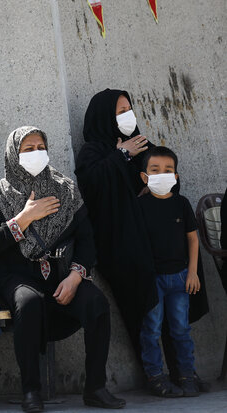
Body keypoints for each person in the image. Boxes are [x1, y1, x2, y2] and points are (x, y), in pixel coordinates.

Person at [0, 127, 125, 412]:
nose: (36, 153)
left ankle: (96, 387)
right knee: (28, 302)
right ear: (13, 153)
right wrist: (24, 218)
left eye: (40, 146)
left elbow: (86, 240)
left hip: (62, 275)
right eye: (27, 148)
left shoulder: (67, 189)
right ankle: (31, 391)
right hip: (16, 276)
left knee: (96, 304)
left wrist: (75, 276)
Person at [74, 89, 208, 385]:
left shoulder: (142, 144)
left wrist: (156, 185)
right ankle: (155, 375)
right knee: (144, 313)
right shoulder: (94, 150)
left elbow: (167, 173)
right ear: (104, 115)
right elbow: (92, 184)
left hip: (163, 249)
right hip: (123, 247)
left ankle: (183, 371)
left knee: (175, 318)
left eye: (129, 109)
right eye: (120, 111)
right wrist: (122, 154)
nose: (127, 116)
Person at [138, 146, 202, 397]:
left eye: (168, 170)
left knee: (181, 330)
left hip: (180, 278)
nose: (162, 174)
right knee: (152, 330)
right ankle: (155, 376)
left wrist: (193, 272)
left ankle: (187, 375)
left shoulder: (182, 204)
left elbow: (193, 240)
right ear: (145, 176)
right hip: (152, 280)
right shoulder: (139, 205)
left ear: (175, 176)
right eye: (155, 170)